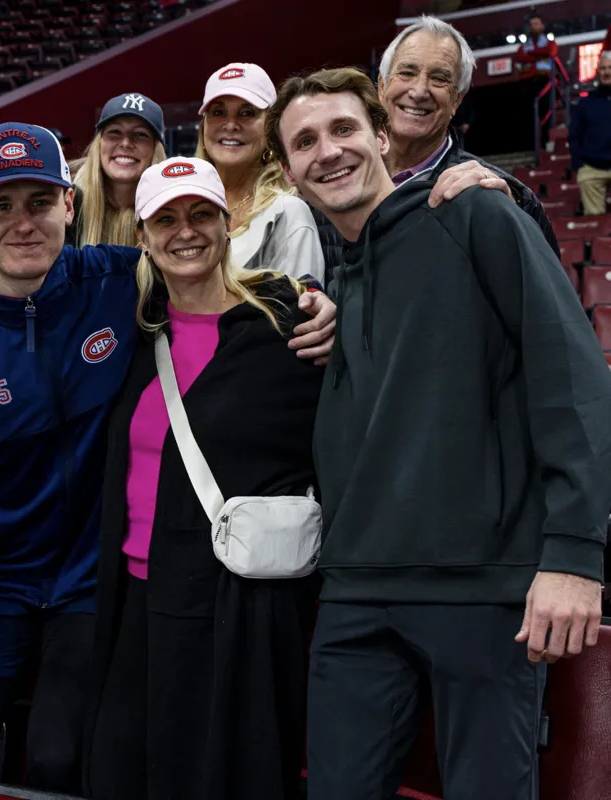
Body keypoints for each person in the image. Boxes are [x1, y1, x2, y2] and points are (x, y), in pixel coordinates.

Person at [0, 122, 337, 799]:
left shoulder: (119, 281)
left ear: (69, 204)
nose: (22, 222)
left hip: (93, 580)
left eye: (39, 201)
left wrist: (303, 299)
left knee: (64, 761)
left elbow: (213, 289)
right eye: (1, 205)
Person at [268, 66, 611, 800]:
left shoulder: (475, 216)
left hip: (483, 595)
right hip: (356, 593)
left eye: (343, 130)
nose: (327, 151)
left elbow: (574, 382)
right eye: (304, 142)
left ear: (384, 138)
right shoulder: (333, 280)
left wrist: (576, 557)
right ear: (290, 173)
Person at [86, 157, 323, 800]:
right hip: (136, 598)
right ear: (142, 234)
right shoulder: (130, 335)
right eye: (165, 218)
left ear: (228, 224)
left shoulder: (288, 328)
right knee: (119, 771)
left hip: (239, 608)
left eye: (199, 215)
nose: (183, 231)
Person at [315, 16, 559, 282]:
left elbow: (544, 289)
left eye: (439, 79)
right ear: (382, 87)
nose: (419, 91)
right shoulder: (335, 177)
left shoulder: (494, 192)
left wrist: (512, 220)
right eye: (406, 73)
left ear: (457, 100)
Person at [196, 62, 325, 282]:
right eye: (218, 112)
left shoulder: (289, 213)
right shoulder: (182, 203)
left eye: (247, 113)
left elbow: (299, 311)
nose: (230, 125)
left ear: (270, 128)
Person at [66, 92, 167, 247]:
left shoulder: (171, 206)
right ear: (99, 144)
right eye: (115, 132)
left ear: (155, 149)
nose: (126, 143)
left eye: (140, 134)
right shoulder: (68, 202)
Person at [570, 50, 611, 215]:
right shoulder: (585, 103)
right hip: (592, 169)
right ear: (597, 72)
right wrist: (579, 165)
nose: (607, 72)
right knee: (595, 224)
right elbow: (574, 135)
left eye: (610, 68)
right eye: (602, 68)